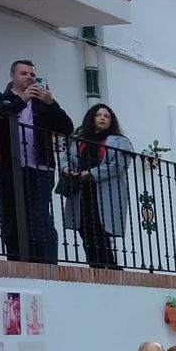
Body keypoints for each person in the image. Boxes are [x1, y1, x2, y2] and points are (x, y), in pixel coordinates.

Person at [0, 59, 74, 263]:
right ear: (12, 76)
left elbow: (66, 128)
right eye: (23, 73)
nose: (29, 78)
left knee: (39, 217)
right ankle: (18, 262)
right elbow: (3, 116)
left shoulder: (43, 104)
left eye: (32, 74)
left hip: (40, 168)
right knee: (11, 217)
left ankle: (46, 264)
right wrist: (22, 99)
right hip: (8, 168)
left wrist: (52, 103)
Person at [59, 103, 132, 269]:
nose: (102, 118)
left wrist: (91, 173)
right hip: (81, 190)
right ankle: (95, 265)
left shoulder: (120, 141)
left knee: (100, 228)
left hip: (105, 191)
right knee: (84, 228)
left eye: (106, 116)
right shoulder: (79, 141)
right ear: (92, 118)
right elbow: (66, 157)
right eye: (99, 115)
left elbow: (118, 165)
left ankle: (110, 266)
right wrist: (66, 169)